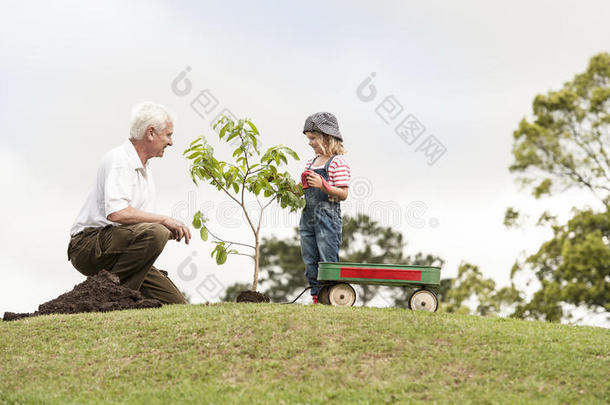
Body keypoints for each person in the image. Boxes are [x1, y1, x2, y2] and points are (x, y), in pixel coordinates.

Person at [67, 102, 191, 304]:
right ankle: (112, 299)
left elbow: (139, 228)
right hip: (86, 246)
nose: (171, 142)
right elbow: (117, 214)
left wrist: (167, 232)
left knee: (175, 303)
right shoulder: (119, 159)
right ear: (151, 133)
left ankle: (116, 294)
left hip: (116, 249)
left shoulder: (145, 171)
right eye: (168, 135)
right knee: (157, 231)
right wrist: (164, 221)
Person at [299, 112, 351, 304]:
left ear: (326, 137)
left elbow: (343, 193)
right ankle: (316, 297)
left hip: (327, 218)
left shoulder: (337, 162)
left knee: (326, 259)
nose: (310, 143)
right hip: (308, 217)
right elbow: (303, 189)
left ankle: (331, 296)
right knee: (310, 258)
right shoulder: (310, 163)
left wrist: (324, 186)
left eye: (313, 138)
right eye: (309, 139)